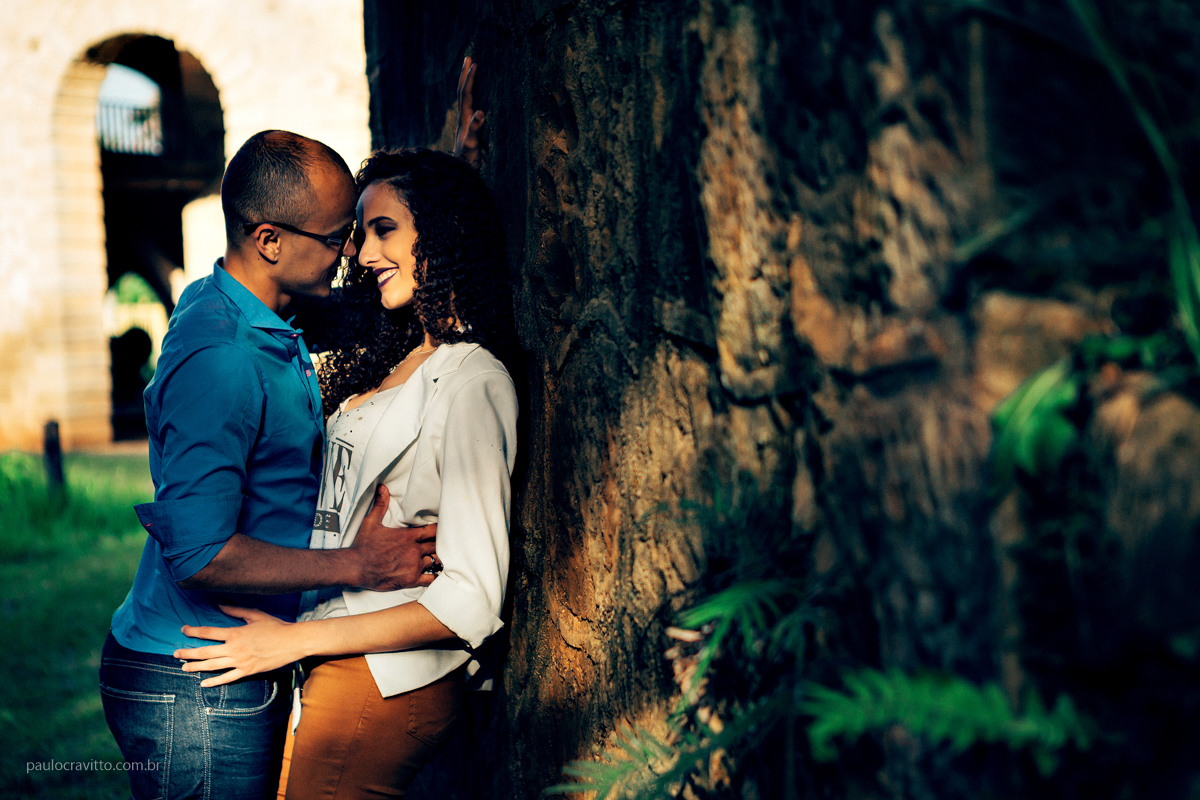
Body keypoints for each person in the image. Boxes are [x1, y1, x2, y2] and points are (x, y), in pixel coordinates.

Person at [99, 131, 440, 800]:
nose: (351, 254)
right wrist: (362, 565)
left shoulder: (253, 307)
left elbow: (372, 302)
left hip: (230, 664)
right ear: (270, 241)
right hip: (195, 680)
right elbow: (200, 554)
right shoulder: (224, 358)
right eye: (337, 237)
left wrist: (451, 168)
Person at [173, 147, 519, 800]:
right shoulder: (397, 355)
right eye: (359, 235)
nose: (359, 256)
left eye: (383, 230)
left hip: (383, 678)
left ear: (444, 232)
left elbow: (470, 600)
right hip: (338, 664)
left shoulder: (472, 379)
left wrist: (291, 642)